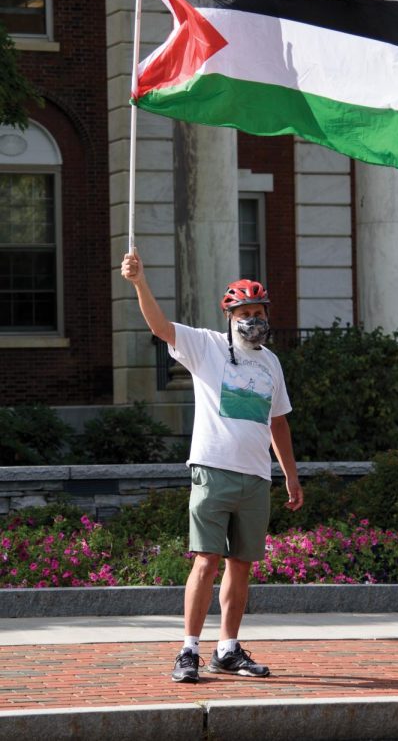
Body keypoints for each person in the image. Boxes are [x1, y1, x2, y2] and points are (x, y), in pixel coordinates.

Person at [121, 249, 303, 683]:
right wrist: (140, 282)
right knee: (205, 560)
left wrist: (291, 476)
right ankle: (188, 650)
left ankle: (228, 648)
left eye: (259, 311)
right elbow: (160, 327)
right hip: (212, 469)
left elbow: (277, 422)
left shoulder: (271, 363)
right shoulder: (205, 346)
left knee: (241, 565)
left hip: (257, 477)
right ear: (230, 315)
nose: (254, 319)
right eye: (246, 312)